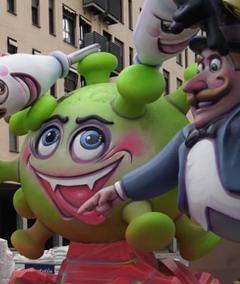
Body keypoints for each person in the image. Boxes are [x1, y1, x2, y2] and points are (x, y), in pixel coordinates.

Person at [80, 30, 240, 242]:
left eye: (214, 67)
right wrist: (118, 191)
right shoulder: (191, 136)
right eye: (201, 67)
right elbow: (161, 171)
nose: (192, 86)